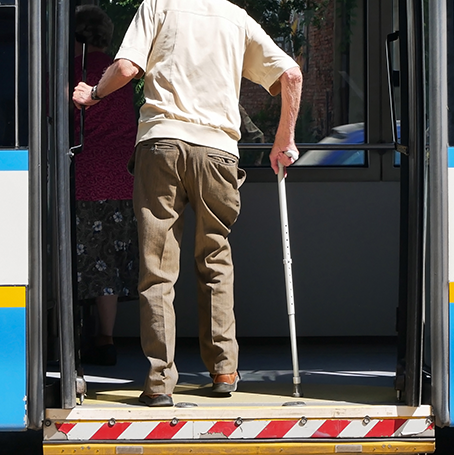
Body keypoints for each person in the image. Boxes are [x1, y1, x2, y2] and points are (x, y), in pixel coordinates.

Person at [73, 0, 303, 407]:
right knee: (215, 257)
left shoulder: (158, 6)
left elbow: (127, 69)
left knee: (158, 268)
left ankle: (160, 380)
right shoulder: (235, 17)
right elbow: (290, 74)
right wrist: (283, 140)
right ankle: (224, 370)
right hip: (218, 151)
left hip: (162, 143)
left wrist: (92, 93)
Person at [73, 5, 139, 366]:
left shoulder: (73, 71)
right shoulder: (119, 70)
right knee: (109, 263)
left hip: (84, 175)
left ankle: (72, 335)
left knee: (83, 257)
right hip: (121, 177)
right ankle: (106, 337)